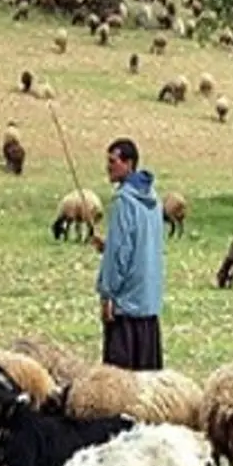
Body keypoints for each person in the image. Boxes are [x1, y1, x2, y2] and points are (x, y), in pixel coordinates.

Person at [91, 138, 165, 370]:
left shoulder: (124, 202)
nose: (108, 167)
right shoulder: (153, 199)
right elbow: (139, 243)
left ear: (129, 163)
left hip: (126, 307)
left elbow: (120, 255)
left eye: (113, 161)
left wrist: (107, 294)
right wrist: (109, 245)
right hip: (149, 303)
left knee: (121, 386)